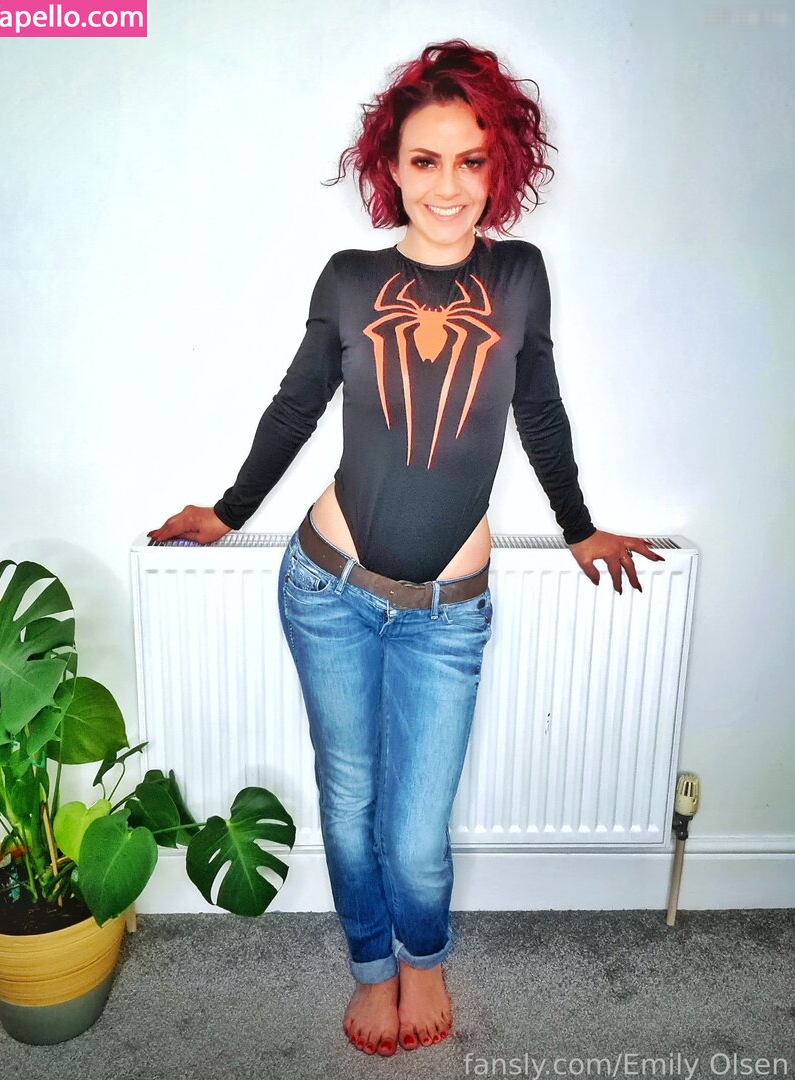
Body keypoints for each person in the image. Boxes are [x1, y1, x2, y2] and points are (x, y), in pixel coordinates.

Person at [148, 39, 665, 1058]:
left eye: (472, 159)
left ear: (500, 164)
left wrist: (577, 528)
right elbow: (296, 406)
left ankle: (424, 955)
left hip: (447, 613)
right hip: (328, 586)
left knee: (417, 828)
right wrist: (228, 510)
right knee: (349, 800)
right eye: (426, 160)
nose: (449, 186)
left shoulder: (518, 275)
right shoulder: (352, 279)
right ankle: (373, 969)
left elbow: (539, 409)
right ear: (391, 165)